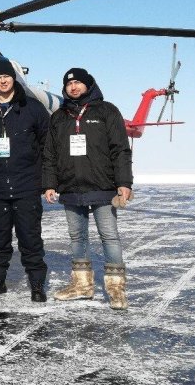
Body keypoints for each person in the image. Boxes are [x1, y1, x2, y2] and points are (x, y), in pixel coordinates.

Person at [42, 67, 133, 310]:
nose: (73, 87)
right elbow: (49, 154)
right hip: (71, 187)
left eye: (78, 83)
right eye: (69, 84)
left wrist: (124, 182)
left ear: (89, 85)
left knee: (109, 236)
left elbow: (120, 149)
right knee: (77, 237)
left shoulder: (106, 111)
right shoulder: (59, 117)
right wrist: (50, 183)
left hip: (102, 187)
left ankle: (116, 289)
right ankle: (82, 285)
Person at [0, 59, 50, 302]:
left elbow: (48, 145)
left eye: (6, 76)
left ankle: (36, 284)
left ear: (13, 78)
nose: (2, 81)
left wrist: (46, 180)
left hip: (26, 184)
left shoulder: (33, 108)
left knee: (30, 238)